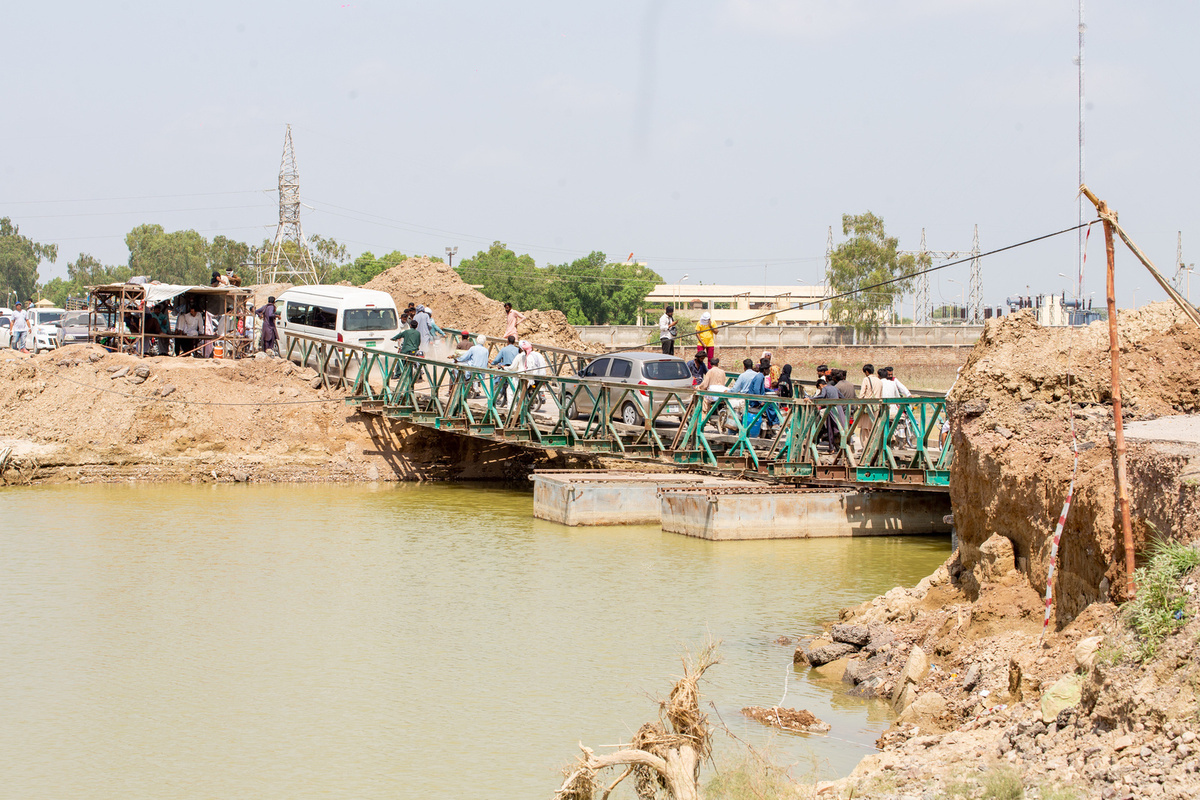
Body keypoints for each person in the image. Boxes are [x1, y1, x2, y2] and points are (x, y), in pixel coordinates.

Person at [490, 335, 520, 404]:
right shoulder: (517, 350)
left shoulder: (504, 349)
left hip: (506, 368)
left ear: (508, 341)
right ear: (514, 342)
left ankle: (494, 396)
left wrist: (492, 363)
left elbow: (497, 359)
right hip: (514, 369)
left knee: (496, 380)